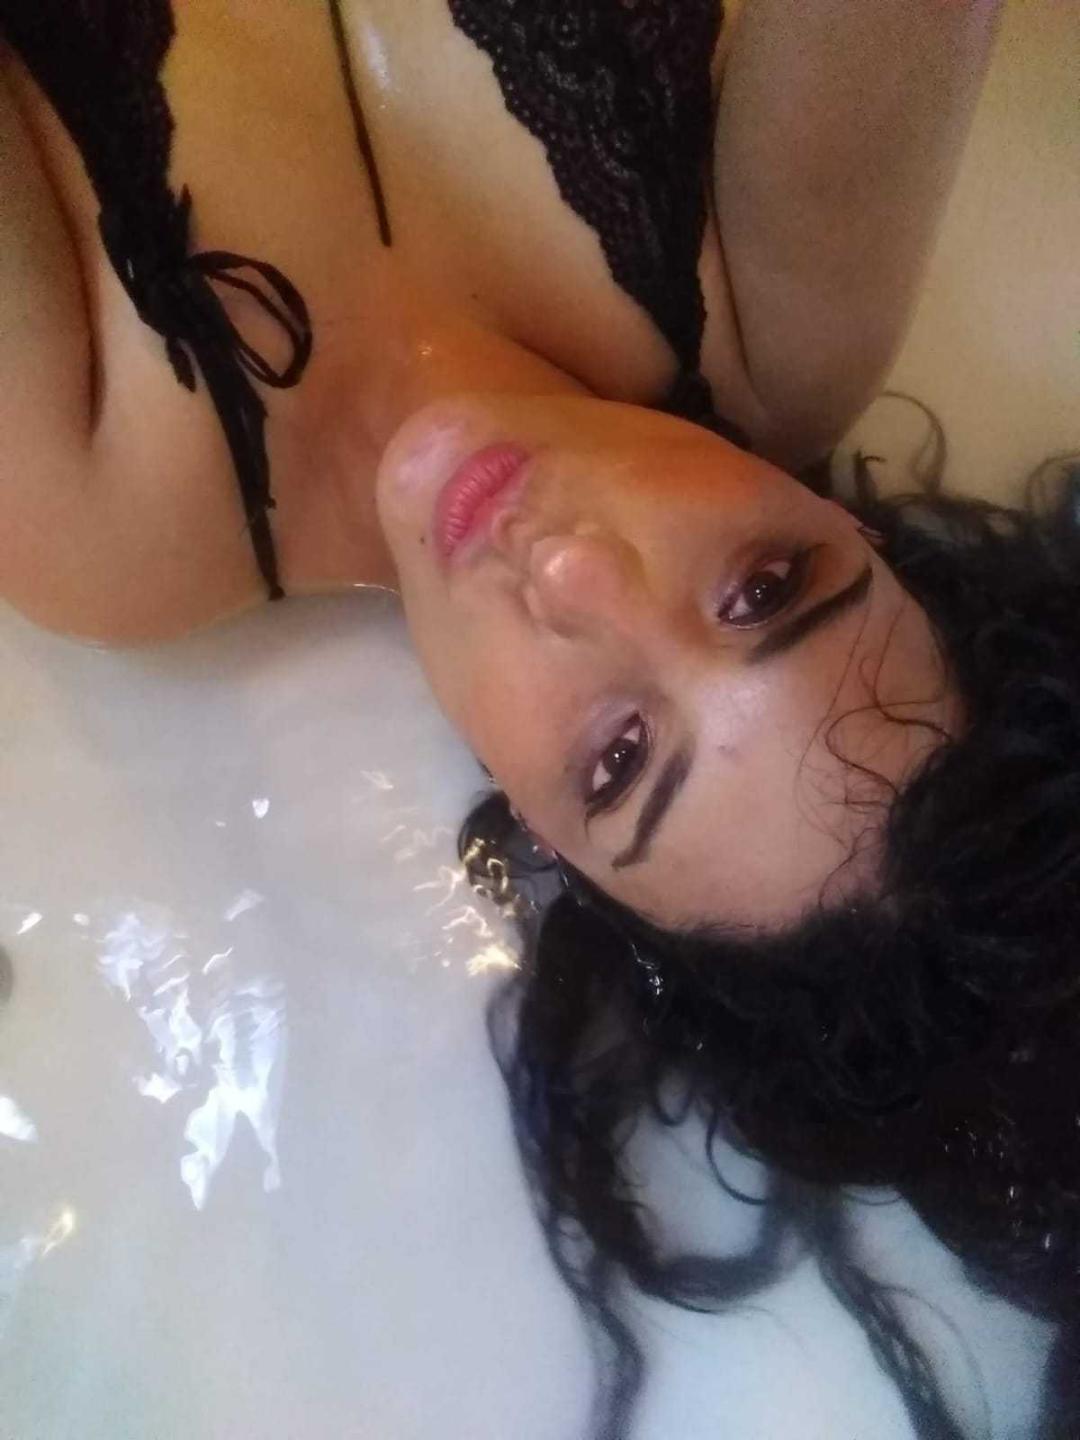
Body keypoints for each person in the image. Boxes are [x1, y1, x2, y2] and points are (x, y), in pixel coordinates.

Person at [0, 0, 1001, 645]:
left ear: (538, 830)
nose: (573, 569)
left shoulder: (104, 528)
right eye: (765, 592)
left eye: (619, 762)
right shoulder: (774, 341)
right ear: (856, 534)